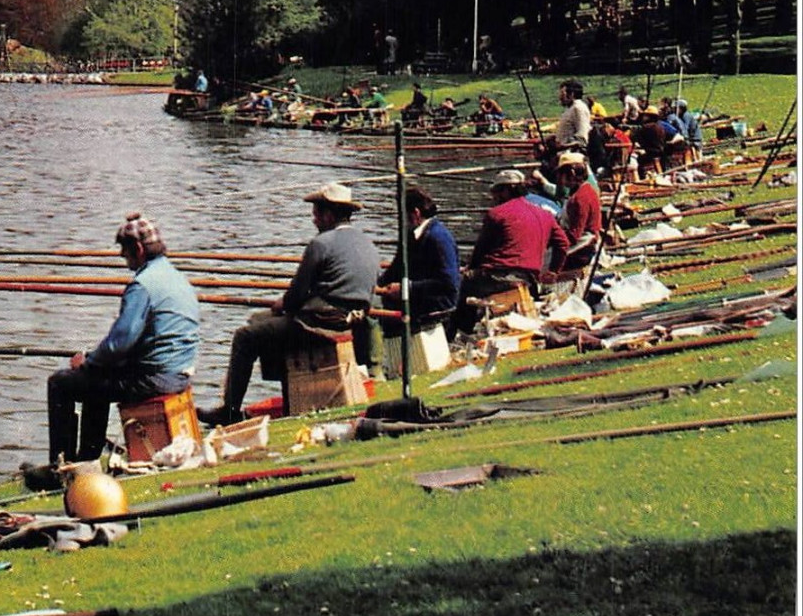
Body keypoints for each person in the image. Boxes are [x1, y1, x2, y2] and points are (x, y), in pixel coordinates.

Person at [35, 213, 200, 484]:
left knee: (62, 383)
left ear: (137, 249)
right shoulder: (176, 277)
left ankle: (59, 470)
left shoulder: (142, 285)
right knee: (96, 380)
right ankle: (85, 460)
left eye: (124, 252)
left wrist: (87, 363)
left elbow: (118, 344)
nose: (124, 259)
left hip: (155, 378)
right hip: (179, 372)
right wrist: (95, 364)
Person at [199, 184, 380, 427]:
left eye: (316, 213)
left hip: (319, 325)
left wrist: (280, 305)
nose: (314, 219)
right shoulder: (368, 243)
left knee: (246, 335)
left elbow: (295, 296)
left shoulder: (321, 243)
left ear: (329, 215)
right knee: (263, 323)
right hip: (352, 320)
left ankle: (230, 410)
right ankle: (287, 395)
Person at [452, 170, 570, 339]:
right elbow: (563, 244)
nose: (494, 197)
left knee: (457, 284)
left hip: (498, 277)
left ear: (506, 191)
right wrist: (554, 271)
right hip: (529, 278)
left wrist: (469, 269)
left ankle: (458, 334)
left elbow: (480, 251)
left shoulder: (497, 214)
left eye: (497, 192)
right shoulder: (544, 214)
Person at [372, 186, 460, 339]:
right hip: (417, 297)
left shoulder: (438, 238)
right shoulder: (410, 235)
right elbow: (396, 268)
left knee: (382, 320)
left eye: (403, 215)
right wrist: (374, 283)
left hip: (436, 304)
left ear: (415, 214)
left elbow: (449, 283)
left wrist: (407, 288)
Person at [555, 151, 603, 272]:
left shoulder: (581, 198)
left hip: (582, 248)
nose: (560, 179)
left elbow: (574, 235)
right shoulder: (585, 190)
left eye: (562, 174)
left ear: (571, 173)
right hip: (583, 244)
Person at [554, 79, 591, 150]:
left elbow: (582, 138)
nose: (560, 97)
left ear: (571, 94)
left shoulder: (578, 108)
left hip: (571, 155)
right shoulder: (571, 109)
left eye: (562, 94)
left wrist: (563, 146)